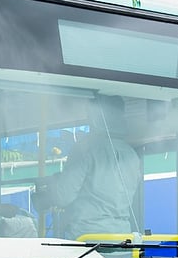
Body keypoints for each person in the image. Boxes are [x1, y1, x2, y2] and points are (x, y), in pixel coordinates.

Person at [33, 97, 141, 240]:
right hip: (123, 237)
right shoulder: (132, 154)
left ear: (96, 116)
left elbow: (63, 196)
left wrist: (51, 187)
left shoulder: (85, 148)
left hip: (89, 237)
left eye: (90, 114)